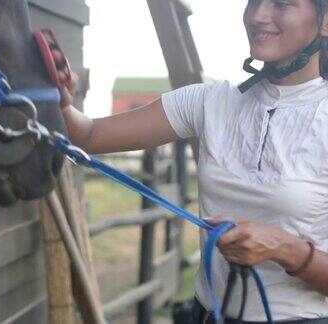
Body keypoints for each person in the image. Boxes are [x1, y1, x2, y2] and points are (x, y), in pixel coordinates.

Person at [54, 0, 328, 322]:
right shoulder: (207, 102)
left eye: (281, 3)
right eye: (254, 1)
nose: (257, 15)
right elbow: (87, 136)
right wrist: (61, 101)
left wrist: (286, 249)